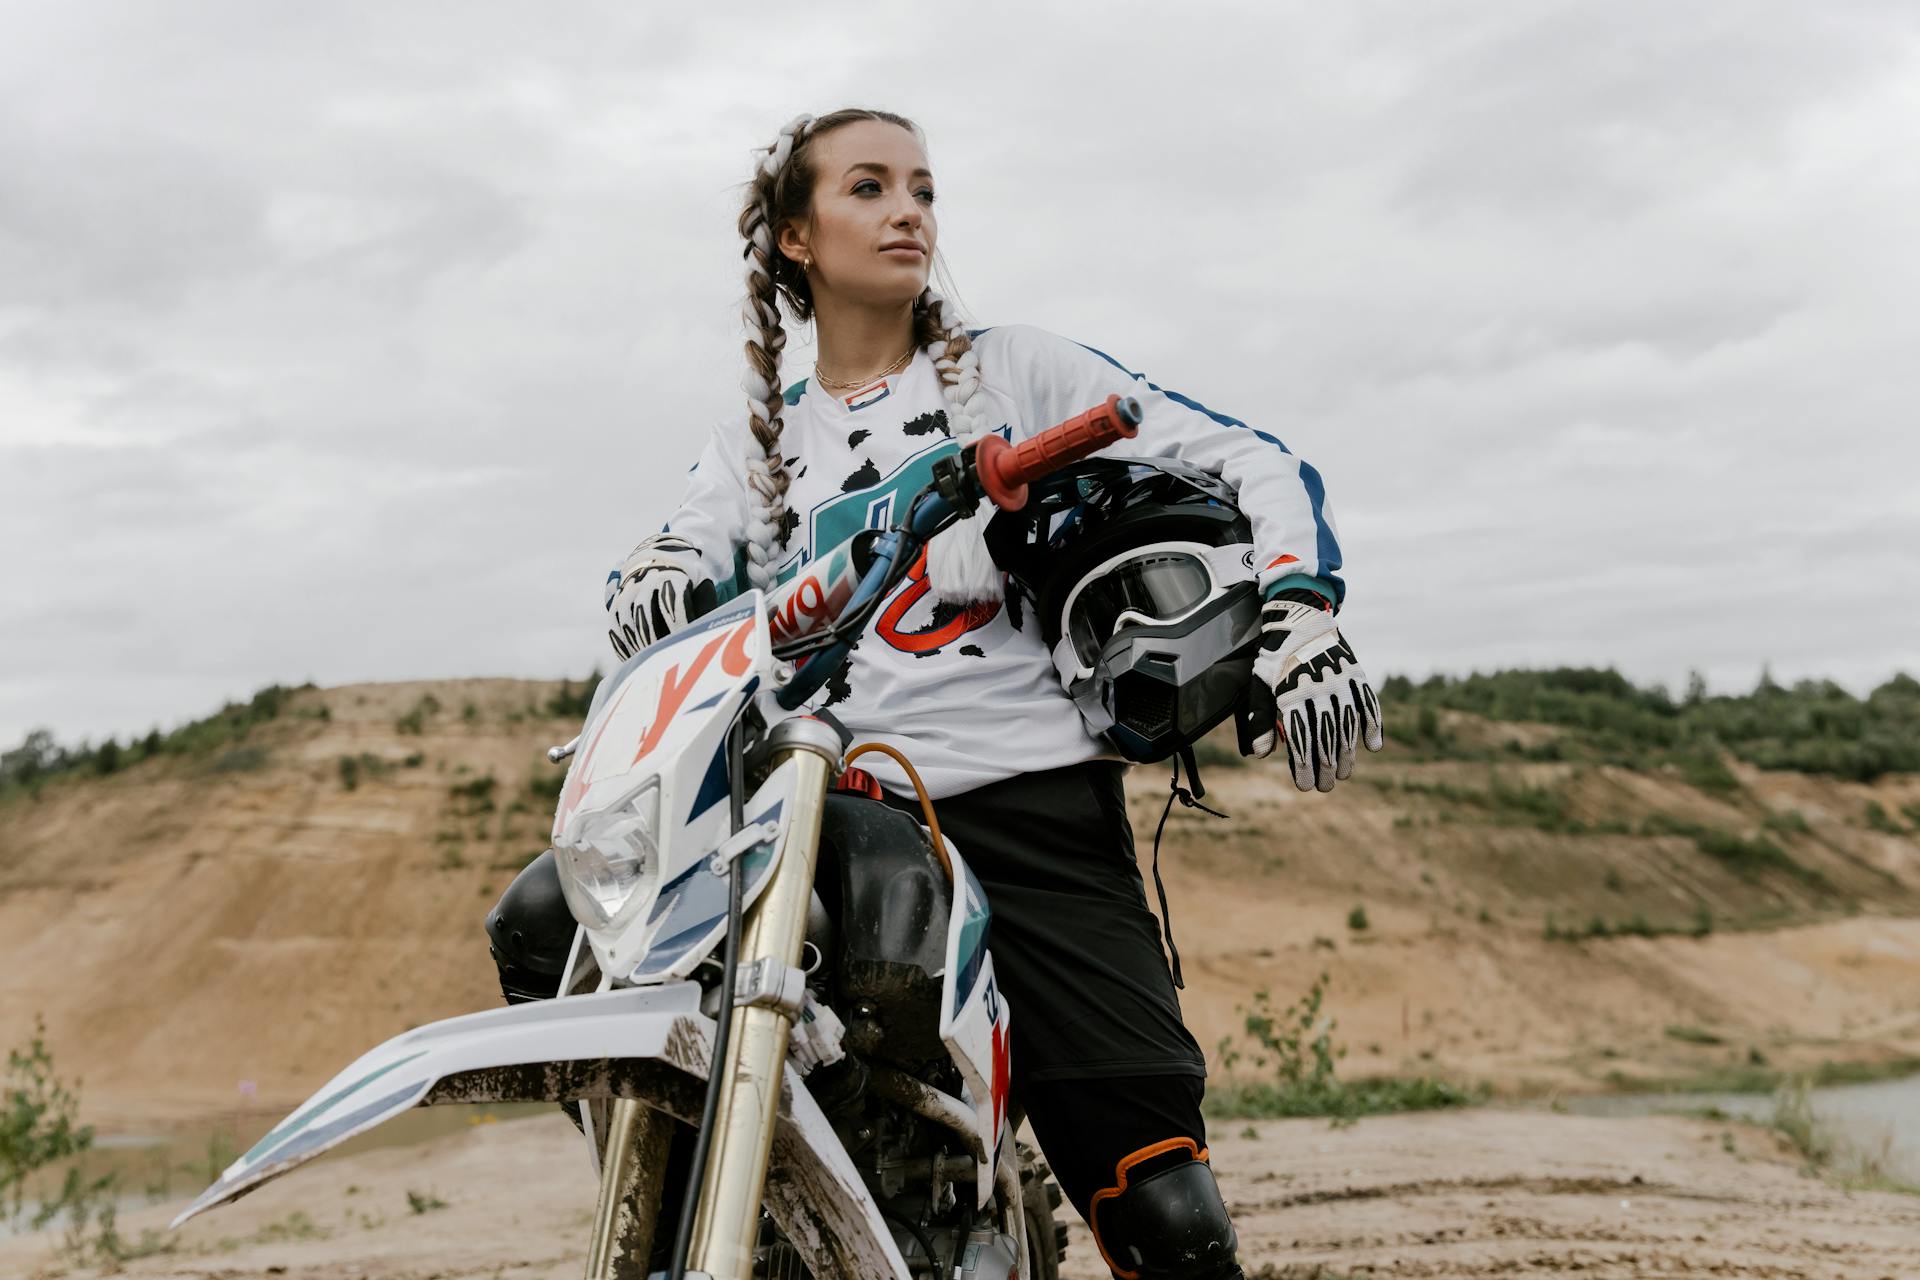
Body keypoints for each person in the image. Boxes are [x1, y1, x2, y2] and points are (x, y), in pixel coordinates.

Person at [592, 108, 1382, 1280]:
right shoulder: (754, 452)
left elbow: (1252, 457)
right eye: (869, 187)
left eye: (921, 187)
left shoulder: (1016, 370)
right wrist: (652, 578)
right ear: (798, 237)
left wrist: (1301, 610)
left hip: (1033, 806)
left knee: (1170, 1211)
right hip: (834, 822)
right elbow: (647, 592)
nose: (910, 210)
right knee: (556, 934)